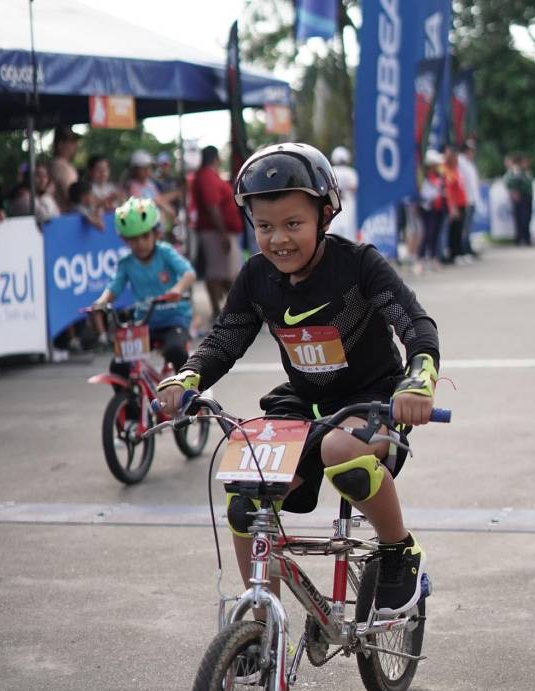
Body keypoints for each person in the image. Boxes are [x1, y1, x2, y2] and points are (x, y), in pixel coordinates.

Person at [157, 143, 440, 618]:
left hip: (370, 401)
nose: (278, 239)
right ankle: (261, 619)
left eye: (293, 224)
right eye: (265, 226)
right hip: (302, 405)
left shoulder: (359, 265)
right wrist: (187, 377)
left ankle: (398, 549)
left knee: (339, 453)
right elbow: (225, 339)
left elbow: (415, 326)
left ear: (324, 215)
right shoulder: (256, 277)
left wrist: (419, 381)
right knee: (246, 494)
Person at [90, 197, 195, 366]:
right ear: (125, 240)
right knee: (119, 364)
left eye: (145, 236)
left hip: (175, 318)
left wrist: (177, 289)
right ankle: (126, 393)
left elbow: (189, 274)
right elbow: (114, 287)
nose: (140, 243)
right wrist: (102, 301)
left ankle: (188, 389)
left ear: (156, 233)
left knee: (175, 351)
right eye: (133, 239)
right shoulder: (126, 263)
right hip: (145, 323)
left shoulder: (165, 253)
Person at [192, 145, 244, 319]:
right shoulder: (207, 177)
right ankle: (219, 310)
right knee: (218, 273)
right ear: (215, 158)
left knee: (227, 272)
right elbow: (212, 206)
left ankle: (231, 308)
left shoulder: (208, 176)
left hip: (220, 231)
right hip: (215, 233)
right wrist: (222, 233)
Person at [417, 150, 447, 272]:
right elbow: (422, 194)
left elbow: (442, 189)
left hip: (439, 208)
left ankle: (434, 259)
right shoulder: (423, 177)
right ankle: (420, 260)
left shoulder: (439, 176)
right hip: (427, 208)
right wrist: (433, 196)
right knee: (427, 234)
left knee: (436, 234)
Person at [442, 145, 467, 264]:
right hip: (454, 205)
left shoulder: (456, 169)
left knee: (459, 230)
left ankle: (459, 252)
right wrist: (452, 207)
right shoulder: (445, 170)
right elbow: (449, 190)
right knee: (454, 231)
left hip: (462, 203)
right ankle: (454, 254)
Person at [458, 139, 482, 258]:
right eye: (471, 150)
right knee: (464, 227)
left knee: (468, 227)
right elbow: (462, 183)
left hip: (471, 199)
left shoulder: (470, 164)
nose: (473, 153)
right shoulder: (461, 163)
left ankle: (468, 247)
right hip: (465, 200)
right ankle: (464, 249)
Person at [329, 145, 358, 240]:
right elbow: (355, 188)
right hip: (348, 205)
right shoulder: (351, 172)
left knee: (333, 231)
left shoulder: (331, 170)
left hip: (334, 205)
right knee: (349, 233)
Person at [505, 153, 533, 246]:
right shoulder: (516, 172)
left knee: (526, 218)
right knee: (521, 218)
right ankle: (521, 238)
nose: (526, 164)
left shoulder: (526, 172)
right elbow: (512, 183)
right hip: (521, 197)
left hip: (528, 196)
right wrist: (515, 192)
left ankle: (526, 238)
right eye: (524, 162)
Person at [50, 125, 81, 212]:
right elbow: (71, 196)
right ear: (60, 145)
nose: (75, 145)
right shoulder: (60, 165)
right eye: (71, 142)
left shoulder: (63, 164)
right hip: (66, 216)